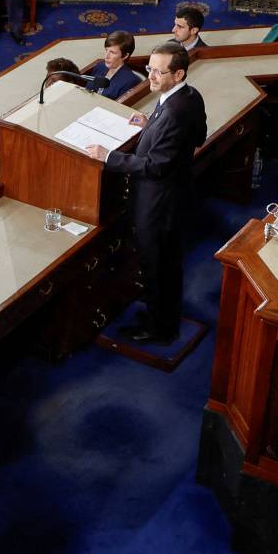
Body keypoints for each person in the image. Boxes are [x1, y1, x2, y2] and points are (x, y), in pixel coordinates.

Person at [84, 44, 207, 343]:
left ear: (178, 74)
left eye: (158, 72)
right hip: (175, 195)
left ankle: (159, 329)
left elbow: (154, 166)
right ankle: (161, 317)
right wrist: (151, 124)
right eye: (150, 68)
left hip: (159, 204)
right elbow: (198, 136)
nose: (150, 76)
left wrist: (108, 156)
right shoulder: (190, 96)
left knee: (157, 266)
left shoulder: (174, 112)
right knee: (166, 265)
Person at [88, 30, 143, 98]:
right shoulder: (100, 66)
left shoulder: (130, 81)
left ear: (125, 56)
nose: (106, 56)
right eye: (106, 50)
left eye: (112, 52)